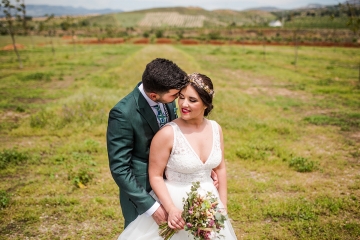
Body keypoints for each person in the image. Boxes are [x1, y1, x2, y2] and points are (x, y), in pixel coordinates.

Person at [118, 73, 237, 239]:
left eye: (192, 100)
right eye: (181, 97)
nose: (183, 104)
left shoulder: (216, 129)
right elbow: (156, 175)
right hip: (175, 204)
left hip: (209, 203)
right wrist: (171, 208)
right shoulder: (167, 133)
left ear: (206, 103)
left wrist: (223, 205)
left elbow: (221, 168)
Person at [107, 58, 189, 228]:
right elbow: (120, 168)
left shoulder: (166, 96)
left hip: (172, 186)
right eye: (174, 95)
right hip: (143, 193)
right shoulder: (122, 113)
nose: (178, 99)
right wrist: (151, 206)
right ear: (153, 95)